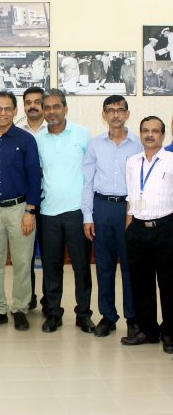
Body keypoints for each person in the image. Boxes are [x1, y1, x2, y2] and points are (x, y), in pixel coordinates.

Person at [0, 91, 41, 331]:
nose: (3, 113)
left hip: (20, 209)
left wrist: (31, 210)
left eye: (8, 108)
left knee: (23, 262)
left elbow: (35, 176)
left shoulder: (26, 140)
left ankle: (20, 309)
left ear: (16, 111)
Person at [82, 95, 142, 338]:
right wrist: (88, 215)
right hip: (102, 207)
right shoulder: (95, 145)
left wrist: (134, 211)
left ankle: (133, 317)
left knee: (130, 267)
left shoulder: (138, 145)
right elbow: (87, 182)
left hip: (128, 209)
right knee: (104, 266)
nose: (116, 114)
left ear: (127, 113)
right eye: (111, 110)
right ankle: (108, 316)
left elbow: (141, 183)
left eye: (120, 110)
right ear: (104, 114)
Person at [34, 89, 94, 333]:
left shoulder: (83, 134)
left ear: (65, 109)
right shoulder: (37, 139)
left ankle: (83, 315)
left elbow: (92, 173)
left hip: (77, 212)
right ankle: (53, 313)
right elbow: (36, 174)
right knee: (51, 265)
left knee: (81, 266)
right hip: (48, 212)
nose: (51, 112)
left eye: (56, 107)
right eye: (47, 108)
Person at [121, 116, 173, 354]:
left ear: (163, 135)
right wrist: (130, 222)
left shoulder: (171, 161)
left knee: (169, 284)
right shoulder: (132, 161)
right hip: (138, 229)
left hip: (165, 229)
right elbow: (132, 194)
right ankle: (148, 330)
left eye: (155, 131)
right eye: (145, 131)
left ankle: (170, 333)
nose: (150, 135)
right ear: (140, 134)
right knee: (140, 283)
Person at [19, 86, 47, 313]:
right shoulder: (15, 129)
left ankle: (50, 300)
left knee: (50, 255)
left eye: (37, 101)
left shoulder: (55, 129)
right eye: (28, 102)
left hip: (50, 202)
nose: (32, 106)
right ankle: (28, 298)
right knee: (24, 256)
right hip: (24, 202)